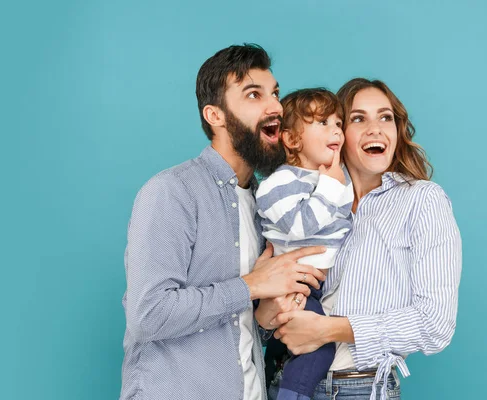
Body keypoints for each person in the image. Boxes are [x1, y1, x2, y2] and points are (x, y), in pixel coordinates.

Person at [120, 44, 326, 400]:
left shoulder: (266, 205)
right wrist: (251, 286)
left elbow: (240, 327)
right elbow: (148, 315)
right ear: (215, 116)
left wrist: (267, 314)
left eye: (274, 93)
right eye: (253, 94)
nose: (276, 106)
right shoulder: (171, 192)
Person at [259, 78, 462, 400]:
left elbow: (434, 324)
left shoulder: (422, 201)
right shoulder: (298, 195)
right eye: (358, 118)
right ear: (336, 135)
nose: (375, 129)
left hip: (361, 388)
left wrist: (328, 330)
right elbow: (264, 312)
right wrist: (267, 314)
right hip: (282, 381)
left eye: (386, 117)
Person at [255, 88, 354, 400]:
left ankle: (275, 374)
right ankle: (291, 394)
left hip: (320, 286)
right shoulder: (278, 183)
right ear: (292, 140)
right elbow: (299, 226)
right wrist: (331, 185)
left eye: (338, 123)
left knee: (293, 345)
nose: (335, 130)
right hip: (293, 285)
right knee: (319, 348)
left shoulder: (335, 177)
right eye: (322, 123)